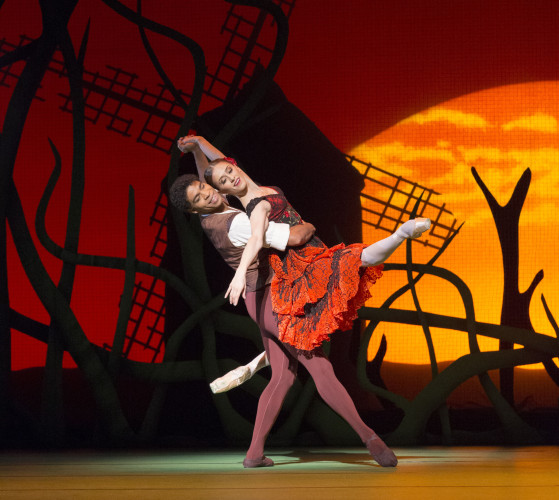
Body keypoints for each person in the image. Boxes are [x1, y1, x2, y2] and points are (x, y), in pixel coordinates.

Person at [172, 136, 429, 468]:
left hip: (264, 298)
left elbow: (213, 175)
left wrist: (197, 147)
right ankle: (371, 439)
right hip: (269, 299)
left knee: (284, 376)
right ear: (195, 210)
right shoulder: (238, 220)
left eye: (209, 186)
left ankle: (253, 455)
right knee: (318, 366)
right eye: (203, 196)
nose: (210, 191)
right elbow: (293, 237)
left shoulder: (216, 208)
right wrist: (306, 226)